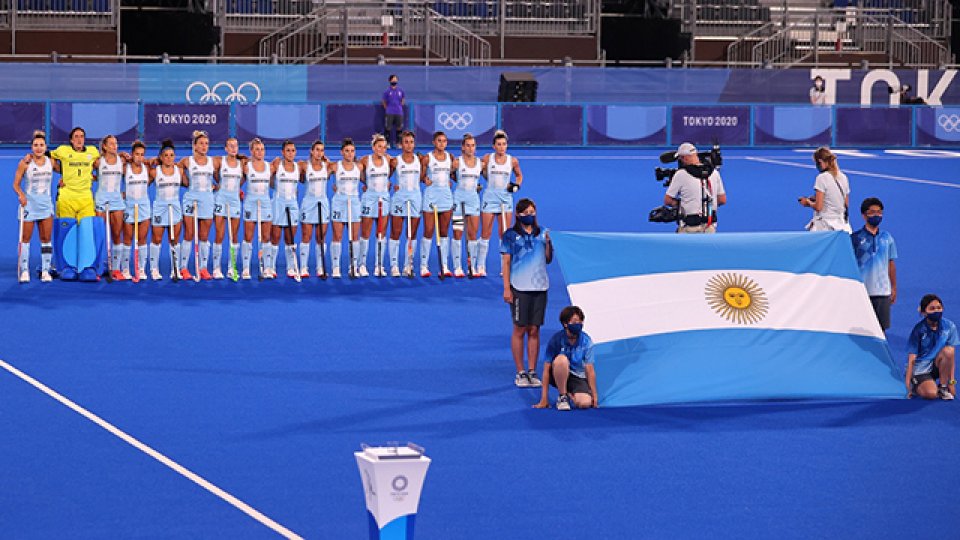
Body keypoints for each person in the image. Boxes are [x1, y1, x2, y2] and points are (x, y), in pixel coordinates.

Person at [501, 198, 552, 388]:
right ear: (518, 214)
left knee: (534, 330)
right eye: (526, 213)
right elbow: (506, 263)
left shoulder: (544, 233)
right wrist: (507, 288)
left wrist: (548, 244)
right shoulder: (510, 235)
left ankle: (532, 371)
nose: (530, 215)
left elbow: (547, 260)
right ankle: (520, 372)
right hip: (519, 288)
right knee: (520, 329)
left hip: (540, 288)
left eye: (533, 212)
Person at [13, 130, 58, 283]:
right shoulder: (25, 163)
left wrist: (63, 181)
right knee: (25, 239)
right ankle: (24, 270)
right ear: (31, 147)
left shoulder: (51, 162)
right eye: (35, 145)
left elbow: (67, 171)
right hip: (29, 206)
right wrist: (21, 195)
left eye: (41, 145)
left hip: (45, 206)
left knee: (46, 239)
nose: (38, 148)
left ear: (46, 147)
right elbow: (16, 184)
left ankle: (46, 270)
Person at [534, 306, 598, 411]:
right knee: (561, 360)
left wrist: (594, 395)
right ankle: (562, 396)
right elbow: (546, 369)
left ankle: (569, 393)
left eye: (580, 321)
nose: (578, 324)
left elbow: (589, 369)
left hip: (577, 376)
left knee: (584, 403)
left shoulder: (586, 341)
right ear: (565, 324)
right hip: (558, 372)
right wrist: (544, 398)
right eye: (575, 322)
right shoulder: (556, 340)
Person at [480, 130, 522, 277]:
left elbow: (519, 175)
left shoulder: (513, 161)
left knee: (503, 235)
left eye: (504, 144)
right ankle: (480, 266)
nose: (502, 147)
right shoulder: (487, 158)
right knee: (485, 233)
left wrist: (516, 186)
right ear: (493, 146)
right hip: (489, 198)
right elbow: (478, 171)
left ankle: (504, 267)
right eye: (499, 144)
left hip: (505, 199)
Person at [851, 197, 897, 332]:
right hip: (862, 292)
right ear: (864, 215)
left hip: (883, 292)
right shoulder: (855, 238)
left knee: (881, 331)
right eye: (872, 212)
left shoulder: (887, 237)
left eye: (879, 212)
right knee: (861, 329)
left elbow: (891, 263)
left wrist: (893, 287)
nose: (876, 215)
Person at [663, 142, 726, 233]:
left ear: (684, 158)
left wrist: (681, 204)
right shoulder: (714, 173)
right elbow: (722, 200)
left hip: (688, 228)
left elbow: (668, 200)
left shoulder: (681, 174)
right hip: (709, 227)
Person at [179, 130, 217, 281]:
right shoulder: (186, 161)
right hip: (191, 198)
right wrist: (185, 183)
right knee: (188, 234)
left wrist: (216, 187)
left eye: (206, 144)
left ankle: (202, 267)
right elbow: (176, 171)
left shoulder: (213, 162)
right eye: (201, 143)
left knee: (204, 235)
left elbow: (220, 178)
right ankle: (183, 268)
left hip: (207, 198)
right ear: (194, 146)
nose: (204, 146)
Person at [906, 294, 957, 400]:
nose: (936, 311)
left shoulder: (949, 326)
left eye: (939, 308)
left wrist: (951, 382)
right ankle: (918, 385)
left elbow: (951, 358)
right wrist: (907, 386)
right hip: (921, 370)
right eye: (932, 309)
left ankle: (943, 387)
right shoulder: (918, 330)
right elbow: (912, 359)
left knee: (949, 351)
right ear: (924, 312)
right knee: (931, 394)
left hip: (937, 365)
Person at [359, 133, 394, 277]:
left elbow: (389, 174)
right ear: (373, 147)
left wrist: (388, 184)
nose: (382, 149)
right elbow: (359, 174)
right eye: (379, 147)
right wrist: (365, 183)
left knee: (381, 233)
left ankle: (379, 265)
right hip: (369, 199)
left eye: (384, 147)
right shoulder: (365, 160)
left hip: (384, 198)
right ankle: (361, 264)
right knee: (365, 233)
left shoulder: (388, 159)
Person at [420, 131, 454, 277]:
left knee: (444, 232)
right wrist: (424, 180)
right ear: (434, 142)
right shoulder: (427, 158)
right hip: (431, 196)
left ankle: (444, 265)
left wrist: (451, 180)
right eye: (439, 141)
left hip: (446, 196)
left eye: (444, 141)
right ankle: (423, 266)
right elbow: (421, 175)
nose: (442, 143)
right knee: (428, 230)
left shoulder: (450, 158)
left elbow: (453, 174)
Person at [148, 140, 184, 281]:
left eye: (171, 155)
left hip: (175, 207)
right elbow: (143, 184)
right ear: (161, 157)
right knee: (156, 239)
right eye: (166, 155)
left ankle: (176, 269)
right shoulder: (154, 172)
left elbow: (188, 183)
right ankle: (154, 269)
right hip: (160, 207)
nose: (169, 158)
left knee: (174, 240)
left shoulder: (179, 171)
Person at [388, 130, 421, 277]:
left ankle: (408, 264)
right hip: (399, 198)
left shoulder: (421, 160)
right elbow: (384, 176)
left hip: (415, 198)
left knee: (412, 234)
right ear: (401, 144)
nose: (409, 145)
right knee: (396, 232)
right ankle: (394, 265)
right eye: (406, 142)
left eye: (411, 142)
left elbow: (426, 175)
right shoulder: (395, 161)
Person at [329, 138, 363, 279]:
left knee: (354, 236)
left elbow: (368, 180)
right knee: (337, 236)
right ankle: (336, 267)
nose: (350, 154)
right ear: (342, 152)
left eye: (352, 151)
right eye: (347, 151)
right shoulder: (335, 167)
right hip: (339, 202)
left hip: (354, 202)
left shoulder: (359, 167)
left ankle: (353, 266)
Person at [93, 134, 126, 281]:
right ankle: (99, 267)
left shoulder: (123, 160)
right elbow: (85, 172)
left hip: (117, 200)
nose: (115, 146)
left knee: (117, 235)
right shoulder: (98, 162)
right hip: (101, 199)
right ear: (105, 147)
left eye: (116, 144)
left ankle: (116, 268)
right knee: (100, 235)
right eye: (111, 144)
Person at [241, 138, 274, 280]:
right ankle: (246, 268)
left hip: (265, 202)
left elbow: (273, 184)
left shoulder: (270, 167)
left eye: (262, 149)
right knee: (248, 236)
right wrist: (238, 192)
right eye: (257, 149)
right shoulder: (246, 167)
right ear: (251, 151)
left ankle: (267, 267)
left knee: (266, 237)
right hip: (250, 202)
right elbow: (239, 182)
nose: (260, 152)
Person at [211, 137, 244, 280]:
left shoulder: (242, 163)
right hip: (221, 198)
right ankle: (216, 268)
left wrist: (238, 188)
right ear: (225, 148)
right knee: (220, 234)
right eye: (230, 146)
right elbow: (211, 172)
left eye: (235, 146)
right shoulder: (219, 161)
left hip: (235, 201)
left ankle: (232, 267)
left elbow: (244, 178)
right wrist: (217, 185)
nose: (233, 148)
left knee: (234, 235)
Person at [451, 133, 482, 278]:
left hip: (473, 200)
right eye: (468, 145)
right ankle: (457, 266)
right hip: (459, 200)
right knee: (458, 232)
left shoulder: (480, 163)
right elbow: (449, 175)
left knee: (472, 234)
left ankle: (473, 266)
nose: (470, 148)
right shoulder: (457, 162)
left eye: (473, 145)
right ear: (463, 147)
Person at [798, 146, 851, 232]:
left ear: (820, 162)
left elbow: (818, 207)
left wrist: (808, 202)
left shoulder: (821, 178)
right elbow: (845, 203)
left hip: (825, 226)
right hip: (842, 225)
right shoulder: (843, 177)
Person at [299, 140, 331, 278]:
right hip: (308, 203)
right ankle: (303, 267)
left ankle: (320, 267)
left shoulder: (327, 166)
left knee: (321, 237)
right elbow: (299, 178)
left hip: (323, 203)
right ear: (312, 151)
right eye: (317, 150)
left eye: (322, 150)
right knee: (306, 235)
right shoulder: (305, 166)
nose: (319, 153)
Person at [271, 140, 302, 279]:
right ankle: (270, 266)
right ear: (283, 152)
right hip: (278, 203)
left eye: (293, 150)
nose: (291, 153)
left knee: (290, 237)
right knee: (275, 237)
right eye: (288, 150)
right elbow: (268, 178)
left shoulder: (299, 167)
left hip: (293, 204)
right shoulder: (277, 165)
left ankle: (291, 267)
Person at [121, 141, 151, 281]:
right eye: (137, 154)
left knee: (143, 239)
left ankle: (141, 269)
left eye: (142, 155)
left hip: (144, 206)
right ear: (132, 155)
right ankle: (125, 269)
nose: (139, 157)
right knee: (127, 239)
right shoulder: (125, 169)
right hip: (129, 205)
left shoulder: (148, 169)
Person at [381, 74, 405, 149]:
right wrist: (388, 108)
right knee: (388, 128)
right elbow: (384, 102)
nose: (394, 81)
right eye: (393, 79)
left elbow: (403, 100)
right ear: (390, 81)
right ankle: (387, 143)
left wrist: (399, 107)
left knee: (399, 128)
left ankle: (398, 143)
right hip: (389, 112)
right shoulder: (387, 91)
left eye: (396, 79)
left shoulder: (400, 91)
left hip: (399, 112)